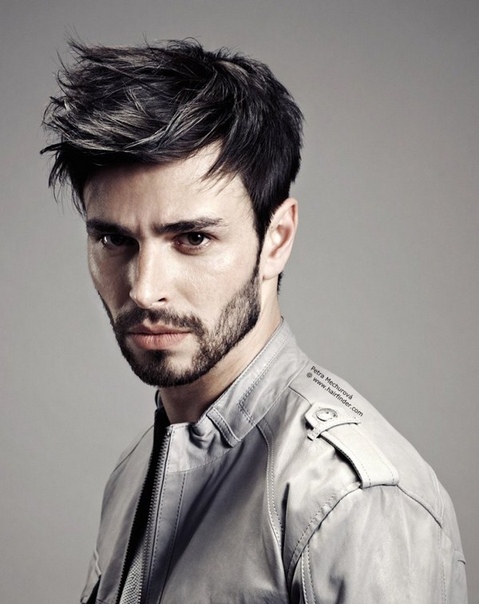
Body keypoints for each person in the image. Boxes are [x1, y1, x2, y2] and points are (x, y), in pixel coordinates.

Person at [42, 39, 467, 603]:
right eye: (113, 240)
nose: (143, 289)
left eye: (193, 238)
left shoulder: (351, 500)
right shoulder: (134, 473)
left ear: (277, 239)